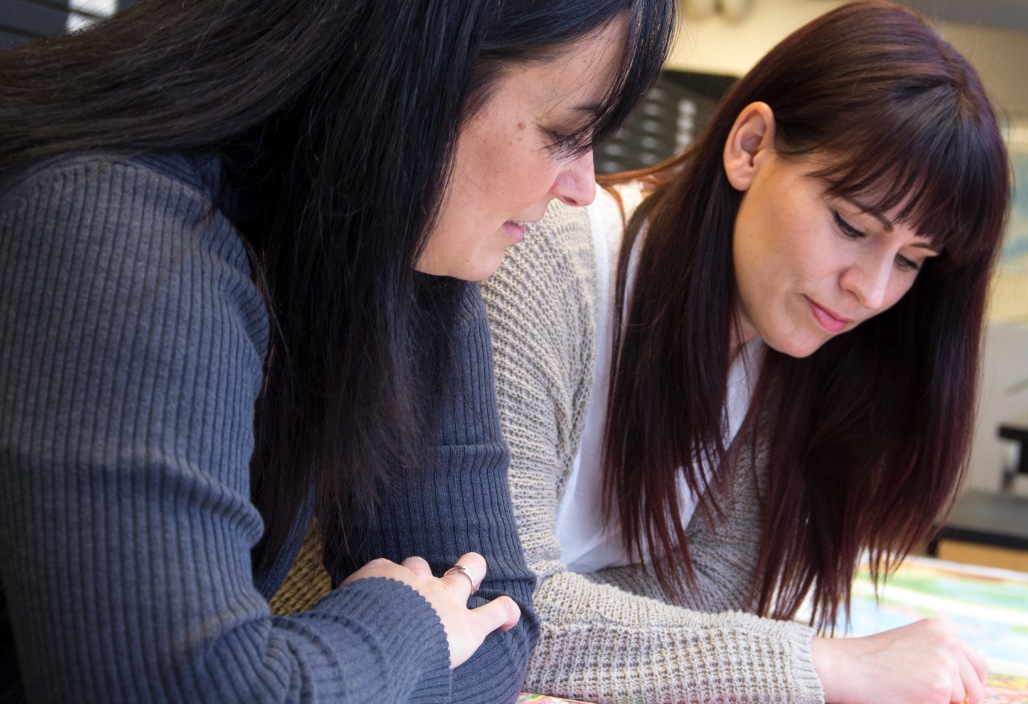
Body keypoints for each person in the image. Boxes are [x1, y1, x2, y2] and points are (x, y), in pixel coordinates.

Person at [0, 0, 674, 701]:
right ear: (415, 77)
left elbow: (496, 635)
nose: (582, 187)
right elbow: (183, 689)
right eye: (564, 132)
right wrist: (407, 623)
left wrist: (326, 666)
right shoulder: (113, 230)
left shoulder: (412, 258)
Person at [481, 2, 1010, 702]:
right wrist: (828, 664)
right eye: (851, 224)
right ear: (751, 147)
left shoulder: (790, 347)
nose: (869, 290)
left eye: (912, 260)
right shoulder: (542, 268)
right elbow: (495, 612)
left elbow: (694, 619)